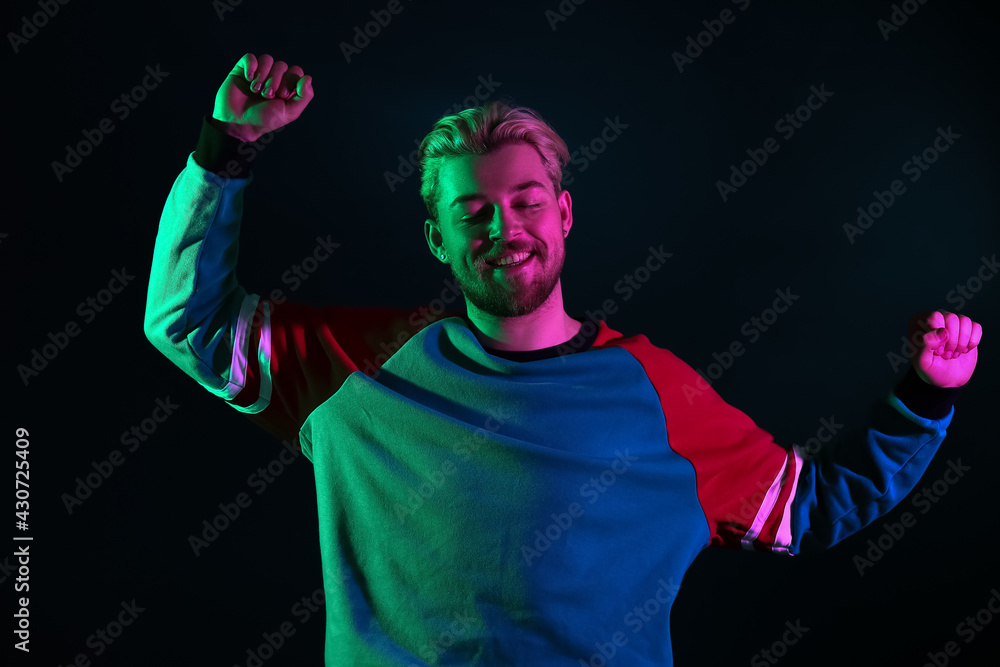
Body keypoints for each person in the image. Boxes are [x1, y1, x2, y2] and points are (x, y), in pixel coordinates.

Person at [144, 53, 984, 666]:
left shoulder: (659, 393)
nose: (502, 227)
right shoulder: (358, 370)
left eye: (524, 201)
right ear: (438, 238)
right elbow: (186, 322)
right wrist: (228, 148)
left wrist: (925, 396)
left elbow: (810, 508)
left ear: (565, 214)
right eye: (471, 212)